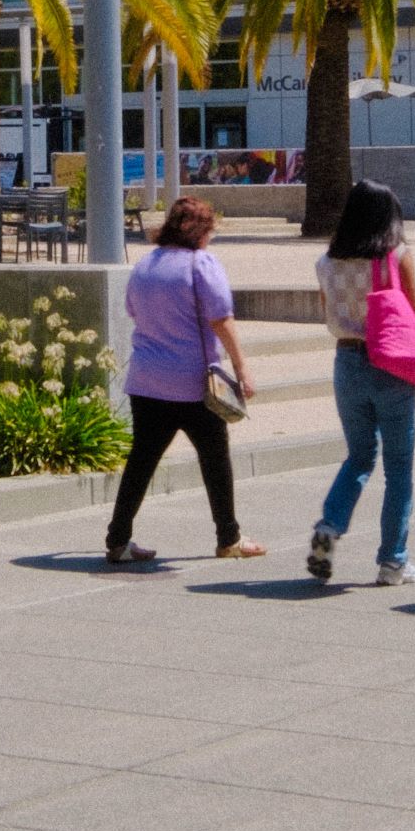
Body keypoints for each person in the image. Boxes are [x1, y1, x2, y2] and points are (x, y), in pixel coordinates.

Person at [307, 179, 415, 587]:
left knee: (359, 457)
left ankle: (330, 526)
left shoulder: (325, 262)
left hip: (347, 363)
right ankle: (393, 562)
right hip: (391, 366)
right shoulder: (395, 257)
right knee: (398, 468)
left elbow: (327, 312)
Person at [105, 196, 266, 563]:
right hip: (194, 384)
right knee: (215, 460)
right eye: (210, 231)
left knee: (141, 460)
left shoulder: (145, 265)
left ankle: (117, 539)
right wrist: (242, 369)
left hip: (146, 381)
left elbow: (133, 311)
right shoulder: (201, 264)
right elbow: (221, 318)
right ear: (201, 231)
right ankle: (229, 538)